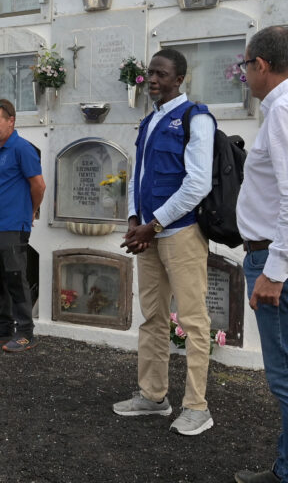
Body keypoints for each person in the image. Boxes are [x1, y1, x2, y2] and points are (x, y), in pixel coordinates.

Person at [114, 49, 216, 436]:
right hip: (148, 235)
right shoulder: (149, 120)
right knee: (152, 318)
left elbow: (197, 184)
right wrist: (133, 218)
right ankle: (154, 396)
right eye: (149, 74)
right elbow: (135, 175)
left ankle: (196, 407)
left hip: (180, 234)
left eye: (161, 74)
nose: (152, 80)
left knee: (193, 322)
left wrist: (154, 226)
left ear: (179, 79)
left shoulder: (196, 118)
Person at [233, 26, 288, 483]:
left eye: (245, 66)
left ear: (262, 66)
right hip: (272, 256)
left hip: (273, 261)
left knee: (284, 378)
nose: (244, 74)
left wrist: (275, 269)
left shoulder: (283, 110)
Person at [0, 99, 45, 353]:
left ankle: (26, 332)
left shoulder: (23, 149)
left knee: (16, 278)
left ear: (11, 121)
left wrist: (31, 211)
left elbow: (39, 185)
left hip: (13, 225)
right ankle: (3, 325)